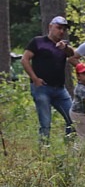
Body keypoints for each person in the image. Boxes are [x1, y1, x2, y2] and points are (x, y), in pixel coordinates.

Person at [21, 15, 75, 143]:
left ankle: (69, 147)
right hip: (42, 87)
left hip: (60, 89)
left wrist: (65, 48)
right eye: (59, 28)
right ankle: (44, 151)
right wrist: (34, 78)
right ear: (50, 27)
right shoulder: (38, 42)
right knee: (45, 122)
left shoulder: (64, 45)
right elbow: (25, 59)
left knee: (73, 118)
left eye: (64, 29)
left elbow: (72, 54)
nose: (61, 31)